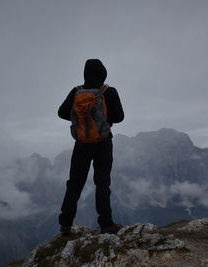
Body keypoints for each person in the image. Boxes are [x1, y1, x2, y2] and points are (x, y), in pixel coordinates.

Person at [58, 59, 125, 236]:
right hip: (103, 142)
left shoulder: (76, 91)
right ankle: (106, 225)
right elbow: (119, 117)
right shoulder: (109, 92)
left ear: (85, 74)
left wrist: (80, 119)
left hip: (81, 144)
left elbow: (61, 112)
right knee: (102, 183)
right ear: (104, 73)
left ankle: (65, 225)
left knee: (74, 183)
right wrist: (102, 117)